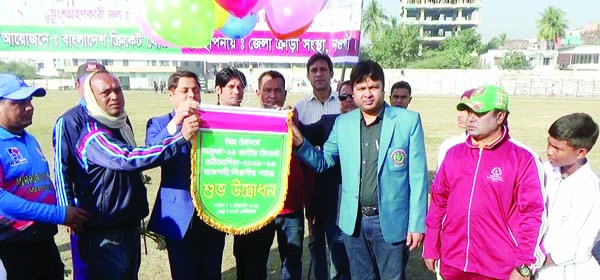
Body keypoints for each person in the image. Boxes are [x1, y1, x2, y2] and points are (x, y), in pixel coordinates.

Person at [290, 60, 429, 280]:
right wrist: (298, 139)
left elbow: (419, 178)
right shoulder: (343, 124)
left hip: (390, 220)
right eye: (361, 88)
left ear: (383, 88)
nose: (368, 94)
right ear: (353, 92)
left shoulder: (407, 121)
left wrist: (417, 223)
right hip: (353, 222)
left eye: (373, 87)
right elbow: (322, 161)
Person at [72, 70, 199, 279]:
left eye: (118, 90)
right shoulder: (94, 136)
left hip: (126, 230)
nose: (114, 96)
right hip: (106, 235)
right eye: (106, 93)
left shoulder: (119, 126)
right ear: (91, 98)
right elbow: (130, 158)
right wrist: (180, 137)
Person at [423, 85, 546, 280]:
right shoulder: (453, 154)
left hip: (498, 268)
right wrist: (431, 245)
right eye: (470, 111)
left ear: (500, 117)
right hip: (452, 263)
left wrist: (524, 264)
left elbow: (532, 215)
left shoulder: (522, 159)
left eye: (479, 112)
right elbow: (438, 202)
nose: (471, 118)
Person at [0, 73, 89, 279]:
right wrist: (58, 214)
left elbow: (41, 185)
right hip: (12, 247)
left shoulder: (28, 139)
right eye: (19, 102)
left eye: (29, 101)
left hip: (43, 241)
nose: (29, 107)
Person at [145, 71, 225, 280]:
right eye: (185, 90)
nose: (192, 95)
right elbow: (150, 154)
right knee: (183, 273)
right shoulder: (159, 123)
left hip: (211, 213)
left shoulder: (212, 122)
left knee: (211, 272)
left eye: (196, 90)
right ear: (171, 94)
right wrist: (178, 125)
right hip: (179, 215)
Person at [52, 61, 106, 280]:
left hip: (113, 213)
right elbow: (61, 169)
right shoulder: (68, 121)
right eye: (87, 82)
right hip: (84, 212)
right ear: (77, 85)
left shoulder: (115, 116)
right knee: (87, 272)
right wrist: (67, 211)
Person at [297, 80, 356, 280]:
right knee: (338, 258)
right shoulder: (329, 122)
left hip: (367, 207)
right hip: (334, 205)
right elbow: (303, 132)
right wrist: (287, 118)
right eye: (343, 96)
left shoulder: (377, 124)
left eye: (351, 95)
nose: (348, 100)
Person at [536, 113, 600, 280]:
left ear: (580, 153)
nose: (549, 151)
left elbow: (576, 248)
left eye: (557, 148)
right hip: (535, 267)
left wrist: (529, 266)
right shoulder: (543, 171)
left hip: (567, 273)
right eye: (549, 144)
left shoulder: (589, 189)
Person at [257, 70, 307, 280]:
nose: (272, 95)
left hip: (291, 207)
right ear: (259, 93)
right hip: (261, 205)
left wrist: (291, 124)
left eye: (277, 90)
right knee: (258, 261)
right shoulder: (250, 123)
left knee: (292, 261)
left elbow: (307, 157)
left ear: (285, 93)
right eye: (267, 90)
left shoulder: (295, 120)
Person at [294, 53, 340, 124]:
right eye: (314, 70)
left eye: (323, 69)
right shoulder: (299, 108)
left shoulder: (344, 103)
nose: (318, 74)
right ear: (308, 76)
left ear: (331, 74)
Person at [436, 88, 474, 169]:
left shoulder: (504, 151)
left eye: (466, 109)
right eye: (460, 109)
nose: (459, 115)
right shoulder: (448, 146)